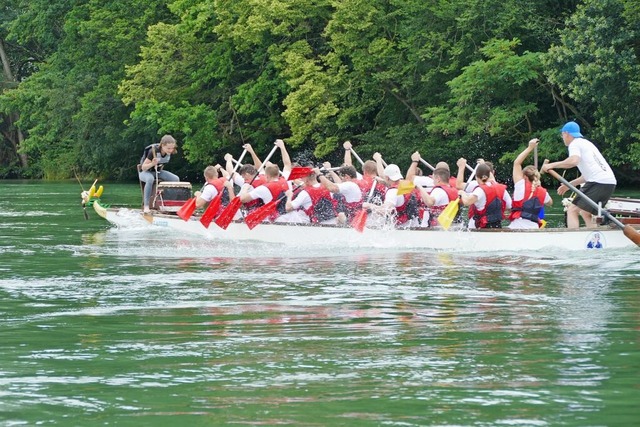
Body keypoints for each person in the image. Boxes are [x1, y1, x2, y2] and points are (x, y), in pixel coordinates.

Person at [541, 121, 617, 228]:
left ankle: (573, 240)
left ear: (566, 133)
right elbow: (587, 175)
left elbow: (573, 161)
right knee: (585, 212)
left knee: (571, 210)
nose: (562, 137)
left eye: (562, 134)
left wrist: (551, 165)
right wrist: (569, 185)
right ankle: (594, 239)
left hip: (598, 182)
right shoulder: (586, 143)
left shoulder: (574, 144)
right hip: (610, 183)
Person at [508, 139, 553, 229]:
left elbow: (517, 163)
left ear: (524, 176)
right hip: (534, 227)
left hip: (517, 226)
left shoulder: (520, 185)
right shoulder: (543, 192)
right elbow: (550, 203)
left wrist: (530, 147)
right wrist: (539, 188)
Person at [363, 161, 420, 228]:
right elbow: (394, 186)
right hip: (414, 225)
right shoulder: (406, 184)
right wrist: (384, 182)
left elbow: (385, 211)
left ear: (387, 177)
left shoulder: (392, 192)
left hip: (402, 228)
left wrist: (369, 205)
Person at [458, 163, 508, 229]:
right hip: (497, 226)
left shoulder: (479, 190)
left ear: (476, 177)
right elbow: (508, 206)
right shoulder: (501, 188)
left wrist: (462, 193)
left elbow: (467, 202)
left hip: (482, 227)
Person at [139, 134, 179, 213]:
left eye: (172, 148)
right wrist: (152, 164)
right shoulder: (153, 151)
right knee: (150, 179)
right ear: (162, 145)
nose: (171, 150)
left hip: (158, 172)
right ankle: (146, 206)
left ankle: (169, 204)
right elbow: (143, 167)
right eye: (168, 148)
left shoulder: (170, 152)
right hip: (145, 172)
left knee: (175, 179)